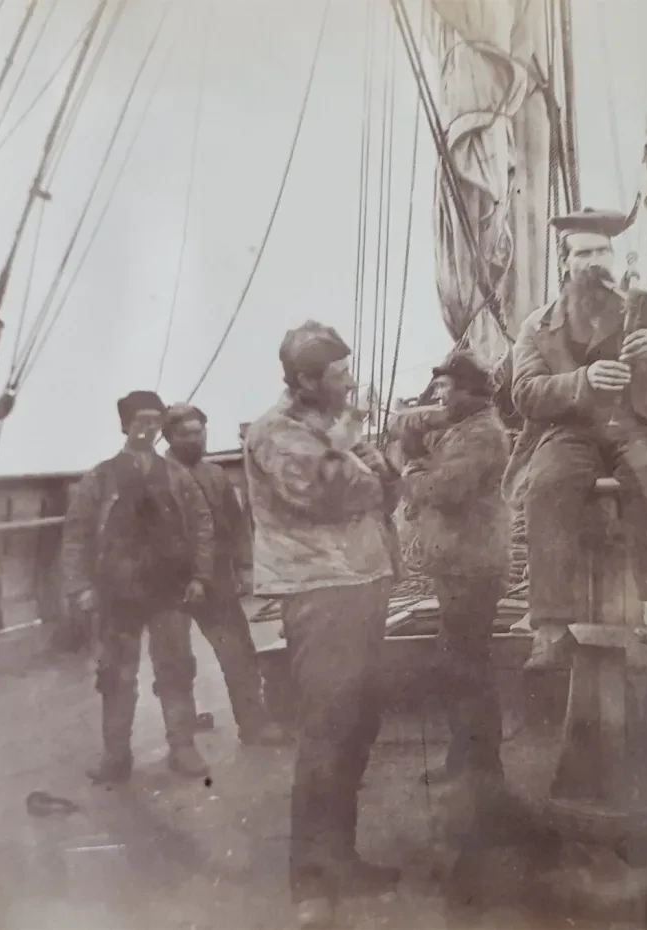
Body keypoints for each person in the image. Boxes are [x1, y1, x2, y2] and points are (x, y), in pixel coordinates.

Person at [503, 206, 647, 668]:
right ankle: (551, 628)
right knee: (549, 483)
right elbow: (525, 394)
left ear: (613, 255)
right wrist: (583, 381)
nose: (593, 261)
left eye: (601, 250)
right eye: (582, 253)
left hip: (635, 424)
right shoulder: (538, 325)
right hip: (570, 430)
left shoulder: (643, 305)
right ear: (566, 264)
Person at [244, 322, 402, 929]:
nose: (351, 383)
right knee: (326, 733)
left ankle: (342, 860)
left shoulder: (329, 429)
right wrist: (353, 455)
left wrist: (356, 460)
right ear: (306, 380)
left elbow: (386, 488)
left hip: (362, 582)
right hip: (319, 593)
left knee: (359, 725)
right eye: (339, 376)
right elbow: (335, 494)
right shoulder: (277, 433)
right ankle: (309, 882)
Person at [60, 390, 214, 783]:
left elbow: (200, 526)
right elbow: (77, 533)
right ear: (125, 426)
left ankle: (183, 748)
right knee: (116, 675)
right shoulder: (101, 476)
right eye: (139, 421)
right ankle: (116, 756)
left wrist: (200, 576)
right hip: (118, 593)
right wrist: (80, 587)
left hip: (169, 590)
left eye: (154, 421)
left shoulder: (178, 475)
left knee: (176, 668)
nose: (147, 428)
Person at [400, 352, 512, 783]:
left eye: (446, 389)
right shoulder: (465, 428)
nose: (439, 397)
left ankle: (481, 768)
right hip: (460, 564)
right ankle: (467, 761)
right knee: (460, 664)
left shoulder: (480, 434)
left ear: (469, 392)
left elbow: (445, 490)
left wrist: (409, 464)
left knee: (468, 668)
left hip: (473, 567)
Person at [162, 403, 290, 748]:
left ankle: (253, 723)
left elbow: (236, 526)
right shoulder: (155, 478)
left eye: (198, 431)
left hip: (217, 581)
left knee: (238, 652)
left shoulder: (216, 475)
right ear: (168, 437)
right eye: (184, 433)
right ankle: (181, 731)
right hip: (171, 585)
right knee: (175, 659)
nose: (194, 439)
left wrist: (246, 567)